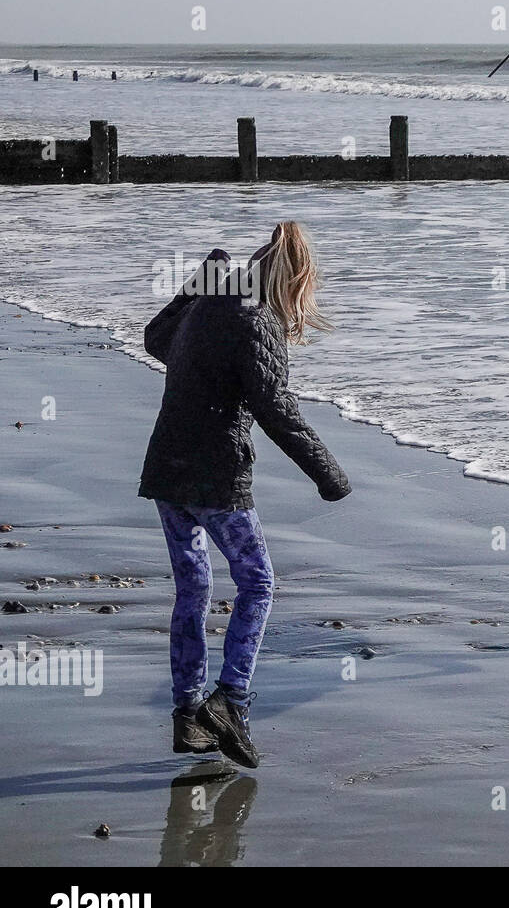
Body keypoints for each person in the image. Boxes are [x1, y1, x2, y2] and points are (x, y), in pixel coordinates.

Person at [139, 222, 351, 768]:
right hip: (215, 476)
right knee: (257, 582)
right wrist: (329, 475)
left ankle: (189, 714)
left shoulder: (212, 301)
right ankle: (231, 700)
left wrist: (200, 278)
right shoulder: (257, 320)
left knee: (193, 588)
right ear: (293, 279)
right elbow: (276, 408)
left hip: (167, 468)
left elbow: (155, 339)